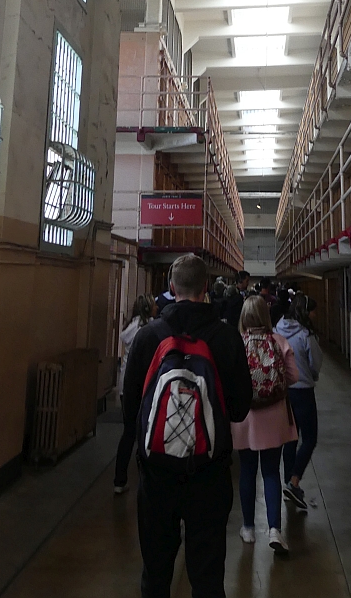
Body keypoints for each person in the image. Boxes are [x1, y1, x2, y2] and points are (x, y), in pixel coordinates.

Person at [123, 253, 253, 598]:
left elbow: (131, 408)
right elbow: (240, 409)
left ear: (171, 287)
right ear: (205, 287)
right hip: (209, 474)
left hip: (157, 475)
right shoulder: (226, 338)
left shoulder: (148, 337)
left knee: (155, 574)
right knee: (207, 579)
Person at [233, 295, 299, 554]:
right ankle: (274, 529)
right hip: (274, 417)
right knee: (271, 472)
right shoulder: (279, 342)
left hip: (245, 417)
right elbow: (294, 376)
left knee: (247, 472)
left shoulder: (238, 343)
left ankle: (248, 528)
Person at [275, 292, 323, 512]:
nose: (315, 315)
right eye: (313, 311)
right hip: (303, 391)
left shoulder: (277, 330)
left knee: (290, 439)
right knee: (310, 438)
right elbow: (315, 363)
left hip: (285, 392)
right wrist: (311, 375)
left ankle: (288, 482)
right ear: (306, 312)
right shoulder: (306, 335)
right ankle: (294, 482)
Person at [114, 294, 156, 494]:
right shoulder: (150, 331)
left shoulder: (129, 328)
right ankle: (146, 480)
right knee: (146, 433)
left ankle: (119, 479)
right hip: (144, 385)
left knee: (128, 432)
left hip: (126, 386)